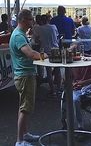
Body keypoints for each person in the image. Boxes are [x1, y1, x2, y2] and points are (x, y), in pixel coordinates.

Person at [9, 9, 48, 146]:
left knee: (24, 105)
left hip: (24, 74)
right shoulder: (19, 36)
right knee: (25, 108)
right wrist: (45, 56)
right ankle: (20, 141)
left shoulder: (20, 34)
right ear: (24, 20)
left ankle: (25, 134)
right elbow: (30, 54)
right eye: (31, 19)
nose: (32, 21)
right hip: (24, 75)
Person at [34, 14, 61, 97]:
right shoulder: (53, 27)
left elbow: (36, 40)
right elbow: (57, 36)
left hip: (43, 51)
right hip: (55, 49)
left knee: (48, 71)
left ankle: (52, 90)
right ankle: (59, 89)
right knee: (57, 70)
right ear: (48, 20)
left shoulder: (38, 28)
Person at [72, 65, 91, 129]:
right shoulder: (71, 63)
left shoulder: (90, 63)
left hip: (88, 87)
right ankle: (80, 124)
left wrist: (82, 83)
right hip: (76, 88)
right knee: (75, 100)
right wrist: (73, 84)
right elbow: (66, 79)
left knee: (77, 99)